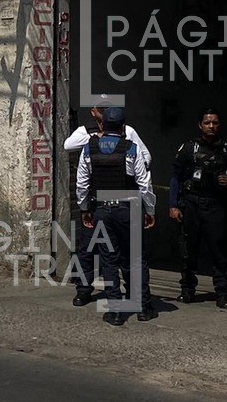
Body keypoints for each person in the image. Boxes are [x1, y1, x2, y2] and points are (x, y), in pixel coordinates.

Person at [63, 94, 152, 306]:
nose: (103, 112)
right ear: (93, 112)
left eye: (107, 109)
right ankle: (86, 290)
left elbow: (145, 158)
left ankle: (124, 302)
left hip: (119, 203)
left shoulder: (128, 134)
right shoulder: (86, 134)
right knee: (88, 250)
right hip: (99, 204)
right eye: (99, 109)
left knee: (122, 256)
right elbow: (68, 145)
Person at [169, 107, 227, 310]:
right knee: (189, 249)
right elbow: (175, 176)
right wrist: (173, 205)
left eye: (214, 123)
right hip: (191, 204)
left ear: (219, 125)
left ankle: (222, 292)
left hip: (215, 205)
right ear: (200, 125)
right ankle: (187, 290)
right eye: (207, 123)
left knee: (218, 250)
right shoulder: (189, 148)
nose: (211, 126)